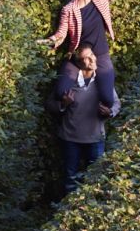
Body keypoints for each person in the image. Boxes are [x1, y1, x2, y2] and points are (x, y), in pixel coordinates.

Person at [39, 0, 127, 109]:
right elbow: (61, 34)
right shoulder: (69, 10)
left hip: (100, 53)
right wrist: (48, 42)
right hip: (78, 57)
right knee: (60, 93)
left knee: (108, 100)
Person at [45, 44, 121, 195]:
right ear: (79, 63)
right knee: (70, 179)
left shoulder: (102, 81)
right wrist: (63, 104)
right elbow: (50, 105)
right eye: (86, 58)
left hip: (95, 138)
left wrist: (110, 112)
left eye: (92, 55)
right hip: (71, 138)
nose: (92, 59)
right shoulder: (68, 82)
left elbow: (117, 103)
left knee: (96, 179)